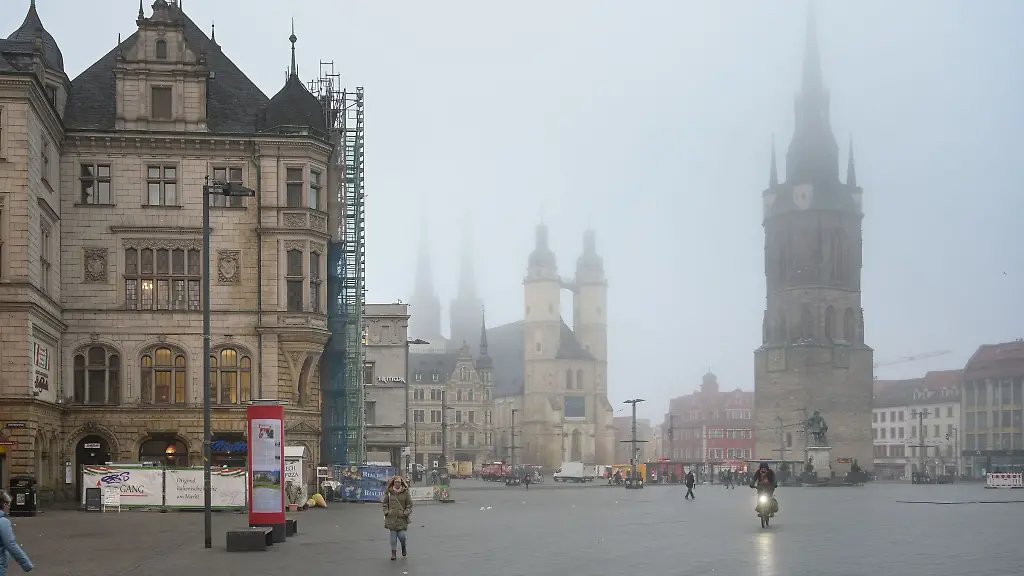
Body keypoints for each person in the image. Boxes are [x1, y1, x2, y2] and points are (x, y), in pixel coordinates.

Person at [0, 490, 33, 574]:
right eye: (9, 505)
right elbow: (11, 544)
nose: (9, 508)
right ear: (4, 504)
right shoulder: (3, 522)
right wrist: (26, 564)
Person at [382, 476, 413, 561]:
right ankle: (393, 553)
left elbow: (409, 505)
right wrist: (386, 512)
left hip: (402, 518)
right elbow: (384, 504)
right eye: (396, 482)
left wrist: (406, 513)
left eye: (399, 482)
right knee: (393, 536)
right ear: (393, 483)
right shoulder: (389, 492)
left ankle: (403, 547)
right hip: (391, 518)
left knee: (402, 536)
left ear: (401, 483)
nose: (397, 483)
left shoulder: (405, 492)